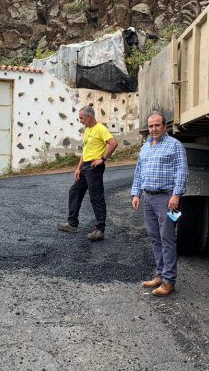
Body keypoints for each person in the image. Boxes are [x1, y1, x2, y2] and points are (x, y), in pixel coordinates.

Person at [130, 111, 188, 297]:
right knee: (155, 238)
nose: (153, 129)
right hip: (148, 198)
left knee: (167, 239)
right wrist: (136, 193)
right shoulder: (146, 146)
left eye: (157, 125)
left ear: (165, 126)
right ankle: (160, 274)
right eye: (151, 126)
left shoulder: (174, 145)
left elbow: (182, 171)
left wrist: (176, 194)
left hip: (167, 199)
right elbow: (139, 171)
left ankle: (169, 281)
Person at [57, 106, 118, 242]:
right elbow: (85, 152)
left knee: (96, 197)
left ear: (89, 116)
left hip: (94, 167)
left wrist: (102, 159)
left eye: (81, 118)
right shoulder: (87, 130)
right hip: (85, 167)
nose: (80, 121)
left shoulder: (100, 128)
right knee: (74, 191)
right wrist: (78, 168)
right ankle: (72, 223)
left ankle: (100, 230)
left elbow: (113, 143)